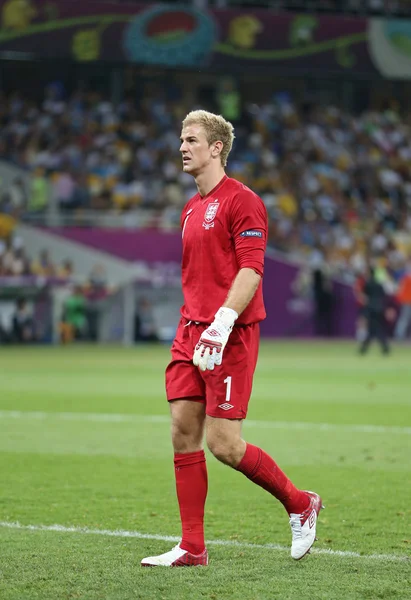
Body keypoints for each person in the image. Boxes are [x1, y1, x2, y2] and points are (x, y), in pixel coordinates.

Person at [141, 110, 323, 568]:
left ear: (216, 147)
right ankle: (192, 547)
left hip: (230, 334)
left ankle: (300, 503)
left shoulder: (244, 201)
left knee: (223, 444)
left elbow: (251, 269)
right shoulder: (190, 207)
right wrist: (199, 327)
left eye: (191, 139)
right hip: (189, 333)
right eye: (181, 139)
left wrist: (221, 325)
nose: (182, 147)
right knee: (183, 433)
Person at [359, 266, 390, 355]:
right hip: (380, 308)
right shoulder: (379, 284)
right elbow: (384, 296)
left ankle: (365, 349)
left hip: (371, 309)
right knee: (375, 328)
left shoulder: (368, 284)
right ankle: (383, 348)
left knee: (374, 329)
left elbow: (364, 297)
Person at [394, 259, 411, 340]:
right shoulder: (406, 277)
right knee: (404, 318)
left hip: (407, 300)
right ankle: (399, 335)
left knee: (405, 318)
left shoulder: (406, 277)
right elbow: (400, 289)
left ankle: (401, 335)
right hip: (407, 300)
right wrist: (400, 298)